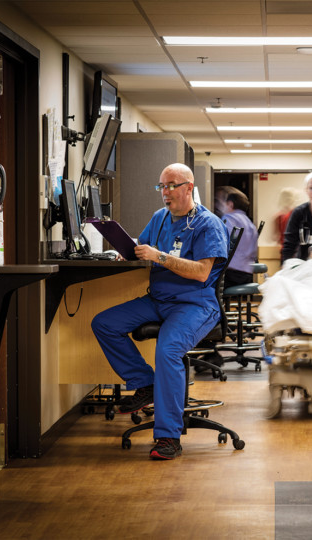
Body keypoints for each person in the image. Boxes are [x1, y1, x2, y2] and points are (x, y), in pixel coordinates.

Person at [91, 163, 229, 460]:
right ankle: (144, 382)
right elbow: (142, 245)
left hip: (195, 304)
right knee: (104, 323)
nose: (164, 193)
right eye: (161, 187)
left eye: (171, 186)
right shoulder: (160, 218)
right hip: (158, 300)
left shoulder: (208, 224)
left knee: (167, 350)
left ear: (189, 188)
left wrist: (160, 257)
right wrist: (125, 251)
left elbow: (202, 273)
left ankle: (168, 437)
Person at [215, 186, 259, 288]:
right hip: (246, 273)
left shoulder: (229, 218)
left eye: (224, 203)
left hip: (230, 275)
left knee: (202, 282)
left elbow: (222, 244)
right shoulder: (250, 223)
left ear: (230, 204)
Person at [272, 187, 298, 255]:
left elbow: (274, 237)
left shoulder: (278, 217)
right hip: (296, 251)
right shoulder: (298, 214)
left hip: (286, 251)